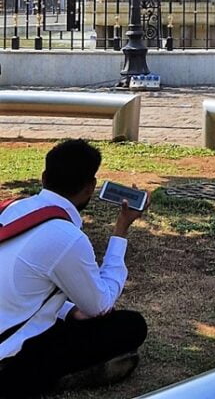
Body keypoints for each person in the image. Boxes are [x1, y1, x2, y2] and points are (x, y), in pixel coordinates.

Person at [0, 139, 149, 399]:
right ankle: (63, 377)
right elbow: (99, 306)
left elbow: (18, 288)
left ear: (44, 177)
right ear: (90, 187)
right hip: (9, 360)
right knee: (130, 326)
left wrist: (68, 311)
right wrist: (121, 230)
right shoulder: (67, 237)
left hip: (9, 321)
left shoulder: (10, 208)